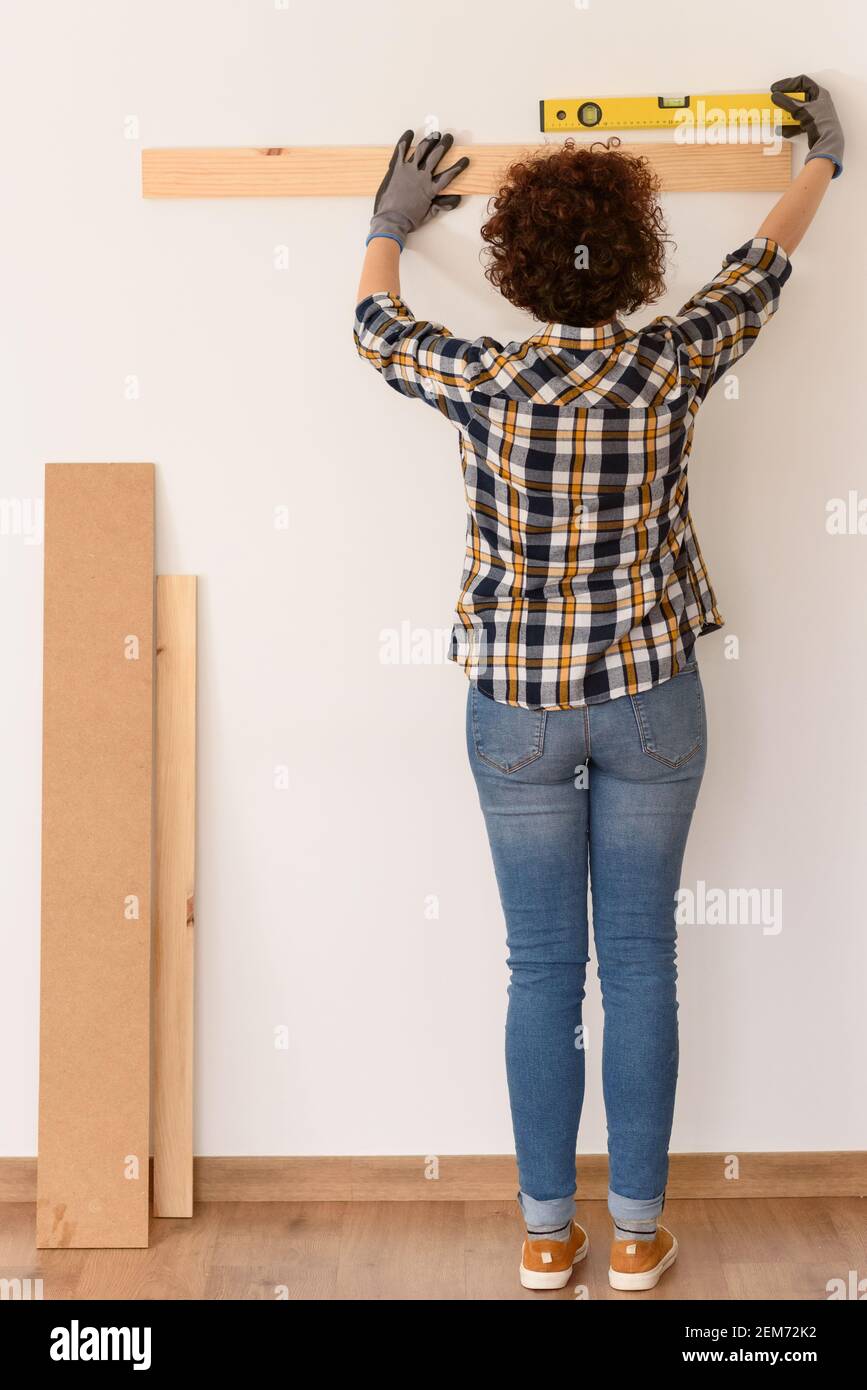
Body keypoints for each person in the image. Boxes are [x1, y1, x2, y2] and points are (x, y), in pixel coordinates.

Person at [353, 77, 842, 1293]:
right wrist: (821, 161)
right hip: (652, 702)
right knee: (639, 963)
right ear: (635, 265)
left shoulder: (483, 377)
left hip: (517, 709)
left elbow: (371, 328)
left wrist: (387, 225)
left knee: (539, 970)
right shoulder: (672, 362)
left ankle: (540, 1235)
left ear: (515, 269)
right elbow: (759, 270)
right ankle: (632, 1236)